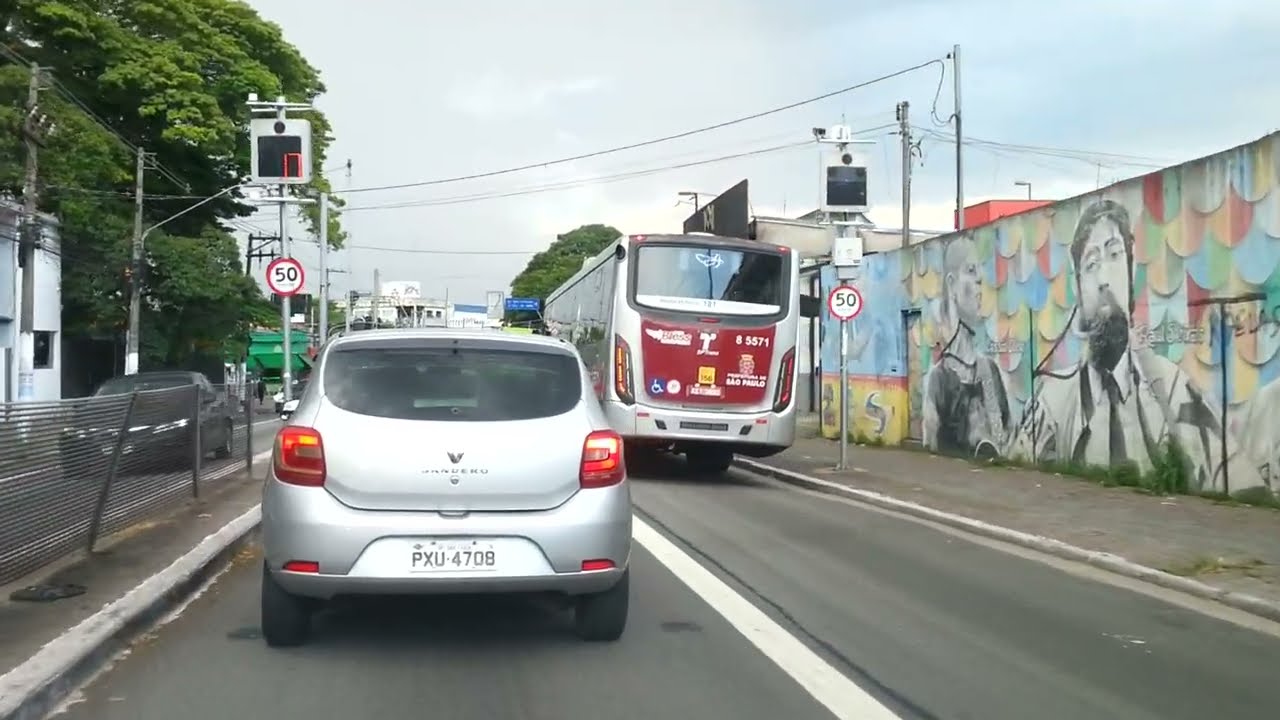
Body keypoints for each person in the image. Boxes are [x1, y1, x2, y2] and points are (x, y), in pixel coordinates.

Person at [1005, 199, 1265, 494]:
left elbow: (1243, 484)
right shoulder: (1052, 401)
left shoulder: (1173, 391)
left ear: (1131, 270)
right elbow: (1015, 481)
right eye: (1091, 264)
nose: (1103, 279)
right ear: (1077, 286)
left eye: (1114, 255)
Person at [921, 236, 1011, 459]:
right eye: (971, 270)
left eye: (980, 270)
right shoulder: (940, 377)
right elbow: (931, 438)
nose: (980, 279)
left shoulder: (989, 370)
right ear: (951, 284)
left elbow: (1004, 431)